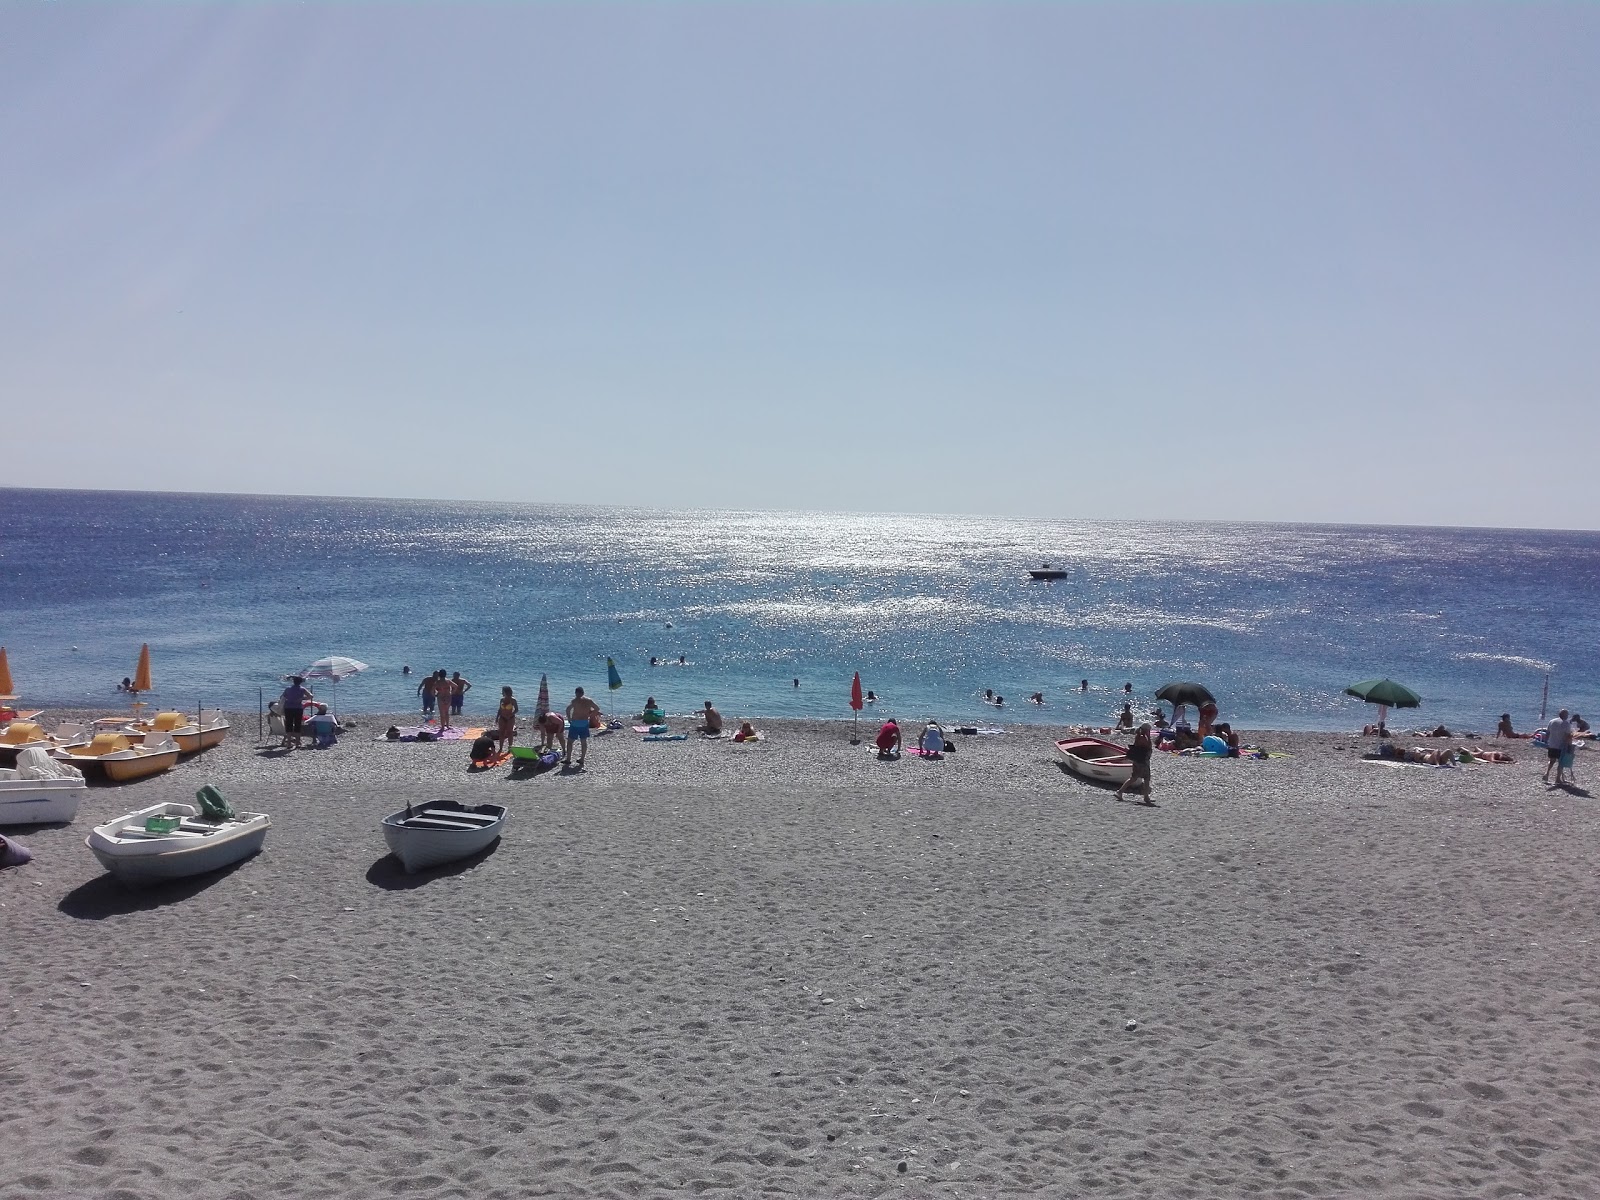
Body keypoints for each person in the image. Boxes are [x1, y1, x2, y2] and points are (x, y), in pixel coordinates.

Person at [1116, 724, 1154, 804]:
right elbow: (1149, 746)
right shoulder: (1143, 738)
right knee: (1146, 778)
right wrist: (1149, 737)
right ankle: (1146, 797)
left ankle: (1120, 792)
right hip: (1142, 761)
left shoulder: (1139, 736)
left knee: (1134, 778)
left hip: (1139, 760)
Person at [565, 686, 602, 767]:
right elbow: (597, 708)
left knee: (570, 742)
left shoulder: (574, 701)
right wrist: (590, 714)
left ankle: (568, 759)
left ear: (576, 693)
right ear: (583, 693)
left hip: (575, 723)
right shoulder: (589, 701)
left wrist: (569, 718)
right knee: (583, 742)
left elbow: (568, 709)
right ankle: (582, 759)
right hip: (584, 722)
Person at [279, 676, 312, 749]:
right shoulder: (302, 689)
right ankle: (297, 742)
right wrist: (302, 698)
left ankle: (289, 743)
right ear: (301, 682)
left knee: (289, 724)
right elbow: (311, 696)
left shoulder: (288, 689)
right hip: (298, 708)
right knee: (297, 724)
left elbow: (282, 697)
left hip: (288, 708)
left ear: (293, 682)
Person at [1543, 709, 1571, 784]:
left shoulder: (1552, 721)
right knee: (1561, 762)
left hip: (1551, 744)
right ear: (1565, 715)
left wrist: (1546, 742)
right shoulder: (1566, 723)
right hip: (1561, 746)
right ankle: (1557, 779)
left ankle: (1547, 773)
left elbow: (1547, 733)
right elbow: (1568, 735)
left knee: (1552, 760)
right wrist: (1569, 745)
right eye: (1567, 714)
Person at [495, 687, 518, 751]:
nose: (502, 693)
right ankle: (501, 748)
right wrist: (497, 717)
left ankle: (510, 747)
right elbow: (500, 709)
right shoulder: (502, 700)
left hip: (510, 718)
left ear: (506, 692)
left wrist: (511, 714)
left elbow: (516, 709)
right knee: (501, 733)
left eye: (503, 691)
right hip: (502, 717)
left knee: (509, 733)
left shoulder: (513, 700)